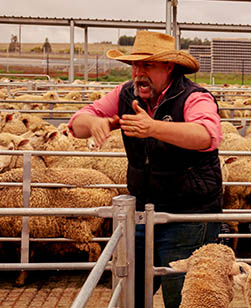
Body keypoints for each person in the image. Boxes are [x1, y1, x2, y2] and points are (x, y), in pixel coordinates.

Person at [69, 30, 223, 308]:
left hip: (188, 215)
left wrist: (153, 127)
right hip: (142, 212)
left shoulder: (194, 97)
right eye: (135, 65)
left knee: (185, 297)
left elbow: (206, 135)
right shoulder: (125, 93)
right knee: (131, 293)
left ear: (169, 66)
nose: (139, 73)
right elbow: (77, 121)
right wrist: (93, 123)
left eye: (148, 65)